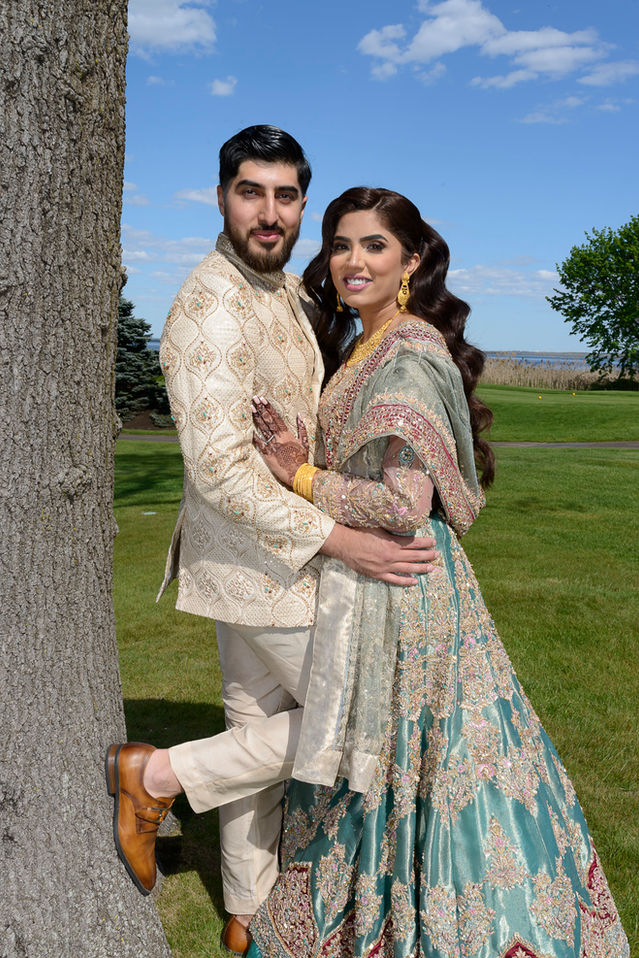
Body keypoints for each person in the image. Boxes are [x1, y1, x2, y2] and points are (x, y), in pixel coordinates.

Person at [247, 187, 630, 957]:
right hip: (387, 580)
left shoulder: (409, 352)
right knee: (388, 756)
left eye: (374, 246)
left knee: (418, 755)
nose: (353, 261)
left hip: (406, 586)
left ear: (411, 260)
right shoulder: (364, 342)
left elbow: (401, 502)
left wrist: (299, 476)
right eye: (341, 244)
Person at [105, 129, 439, 956]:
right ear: (220, 196)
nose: (269, 211)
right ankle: (157, 778)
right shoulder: (211, 304)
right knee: (361, 719)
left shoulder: (287, 290)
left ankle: (245, 917)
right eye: (251, 191)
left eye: (285, 196)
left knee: (252, 726)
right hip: (269, 563)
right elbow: (218, 468)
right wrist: (341, 536)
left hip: (247, 567)